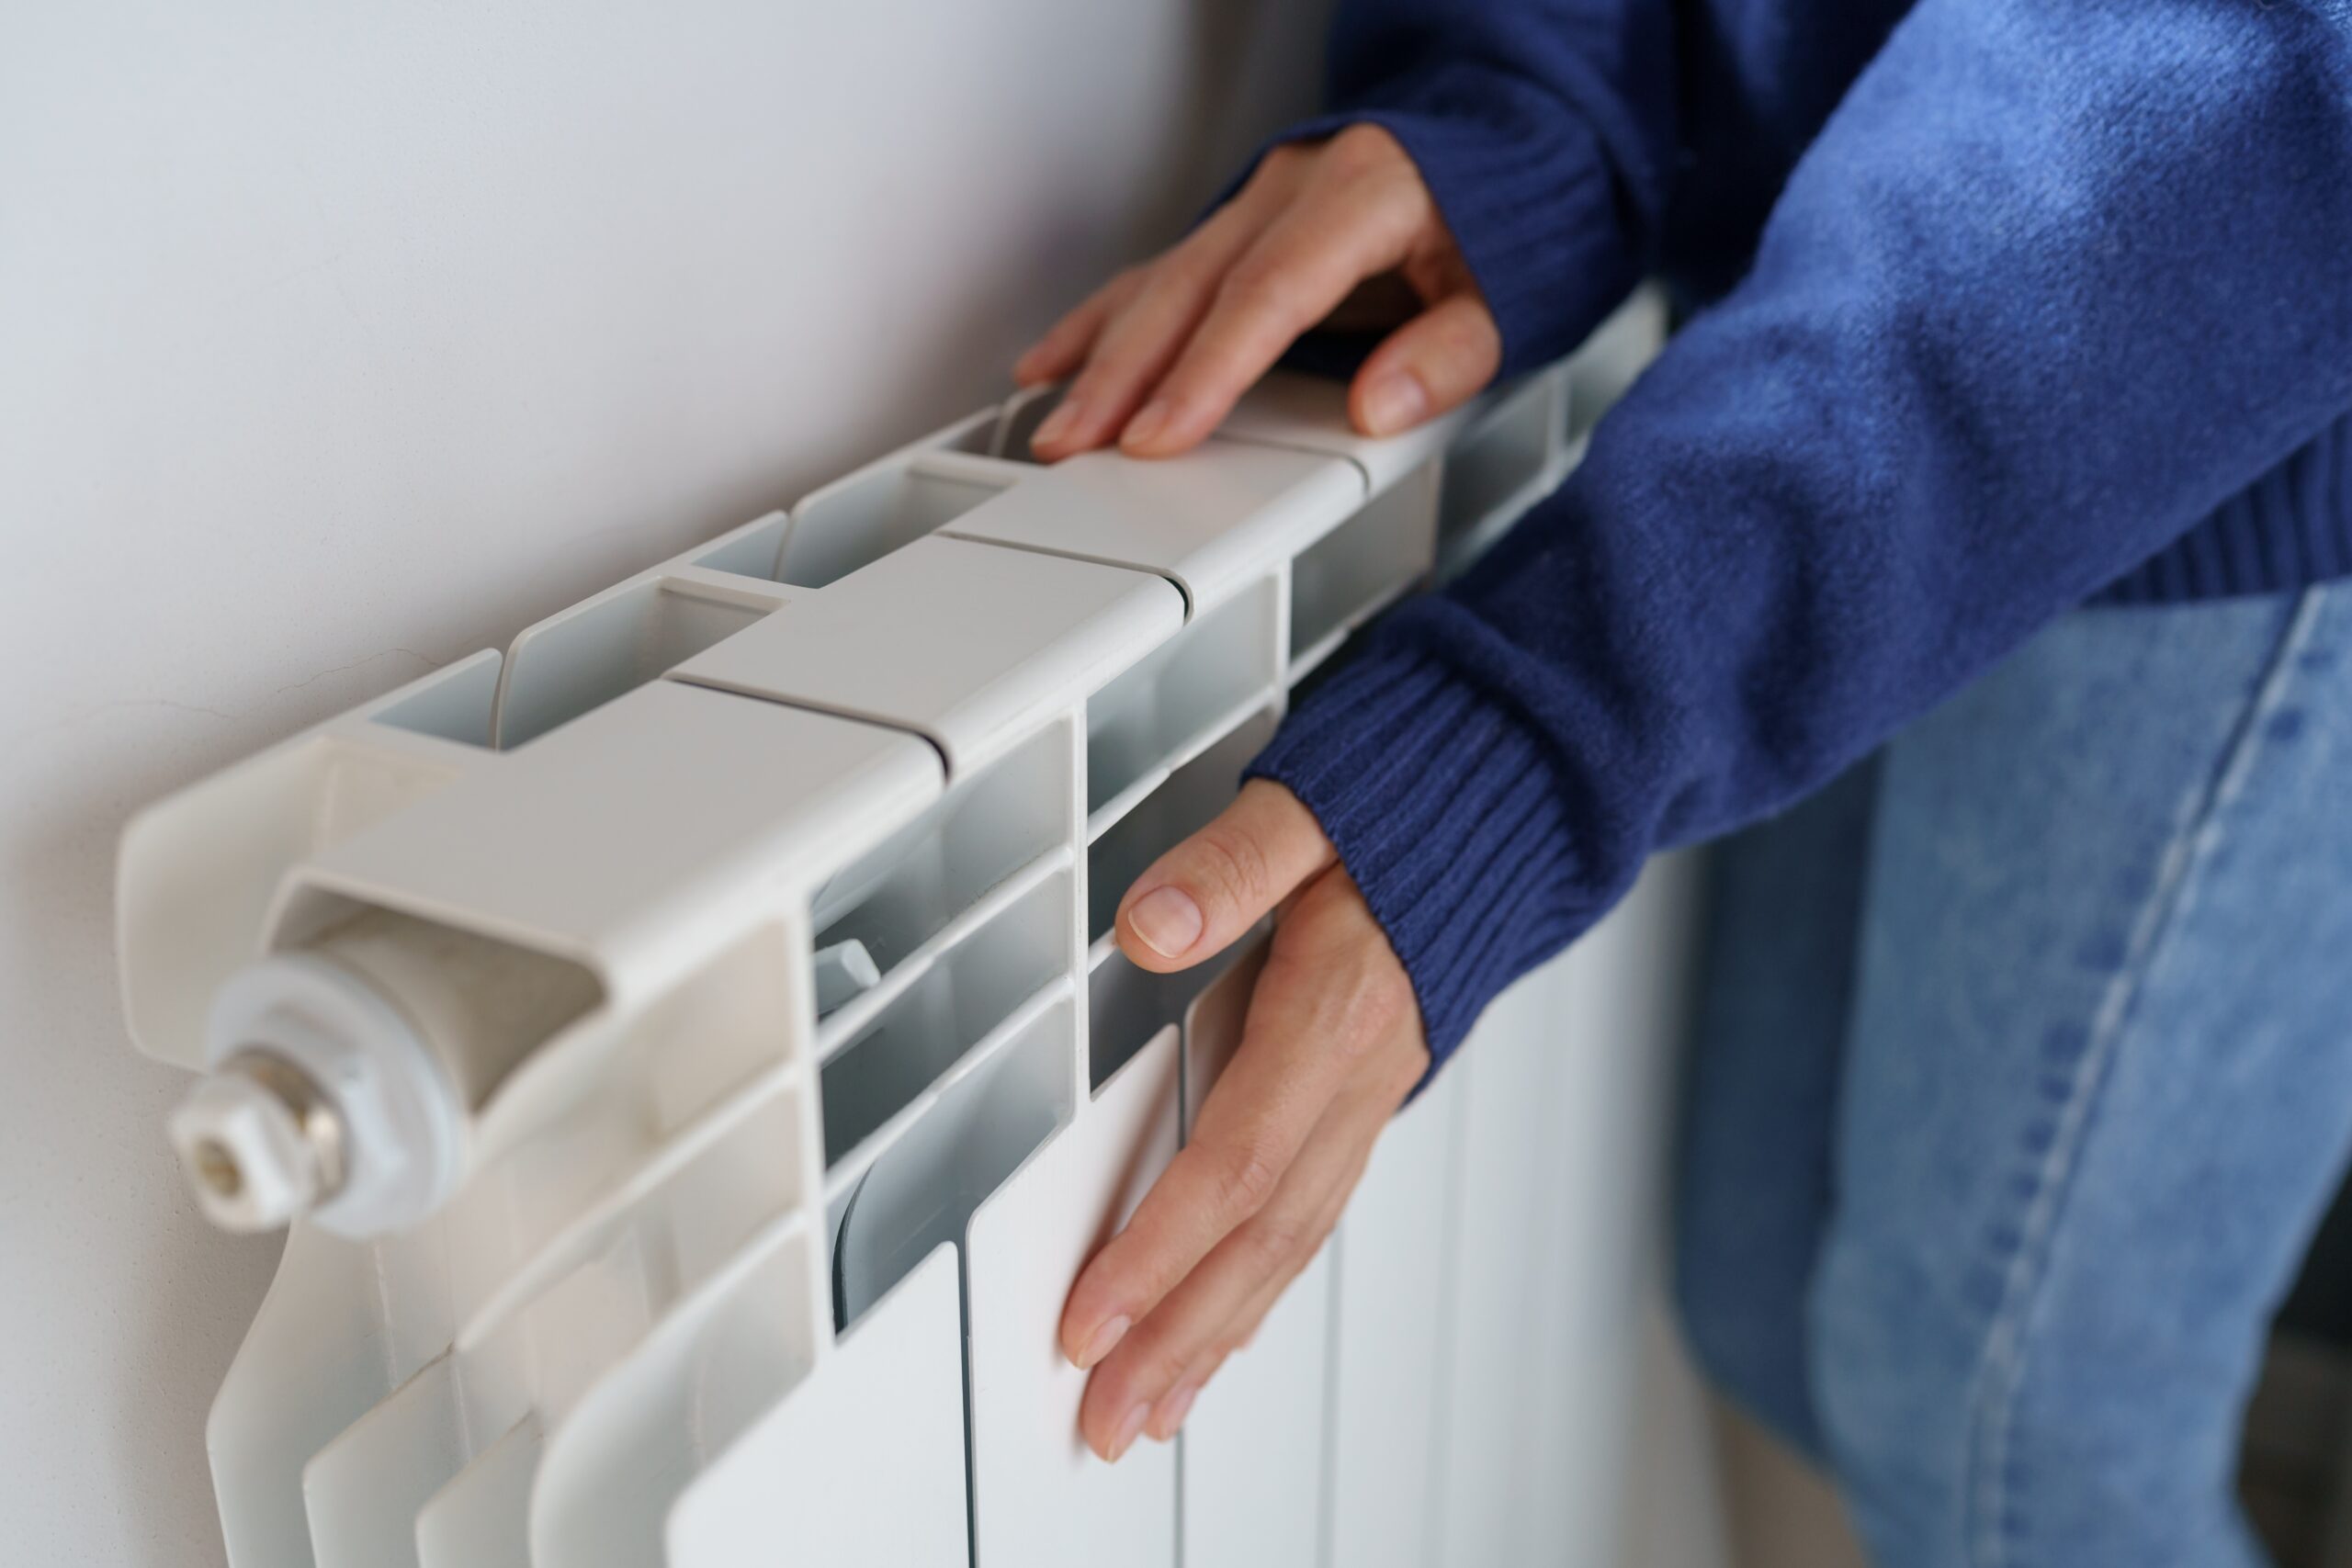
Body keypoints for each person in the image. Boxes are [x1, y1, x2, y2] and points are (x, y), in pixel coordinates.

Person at [1024, 1, 2352, 1562]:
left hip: (2241, 390)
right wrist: (1528, 96)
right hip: (1857, 307)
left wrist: (1538, 725)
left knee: (2011, 1433)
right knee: (1762, 1294)